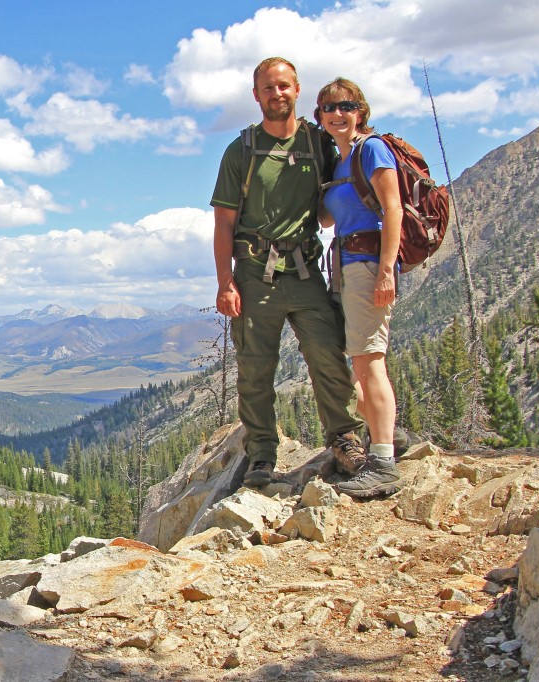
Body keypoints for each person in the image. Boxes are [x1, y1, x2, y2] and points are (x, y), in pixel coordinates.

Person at [211, 57, 365, 488]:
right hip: (254, 274)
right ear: (256, 95)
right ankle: (261, 454)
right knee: (256, 369)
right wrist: (225, 281)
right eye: (267, 88)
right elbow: (224, 222)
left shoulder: (319, 143)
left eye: (283, 86)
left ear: (297, 90)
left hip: (304, 271)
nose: (276, 94)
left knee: (327, 354)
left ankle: (345, 437)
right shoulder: (241, 150)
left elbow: (346, 178)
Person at [315, 76, 403, 498]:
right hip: (346, 265)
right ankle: (390, 437)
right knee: (358, 369)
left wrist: (387, 270)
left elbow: (393, 208)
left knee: (369, 364)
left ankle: (383, 462)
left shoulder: (371, 149)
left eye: (345, 106)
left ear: (361, 111)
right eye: (328, 109)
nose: (337, 114)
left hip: (368, 265)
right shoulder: (340, 162)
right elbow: (327, 220)